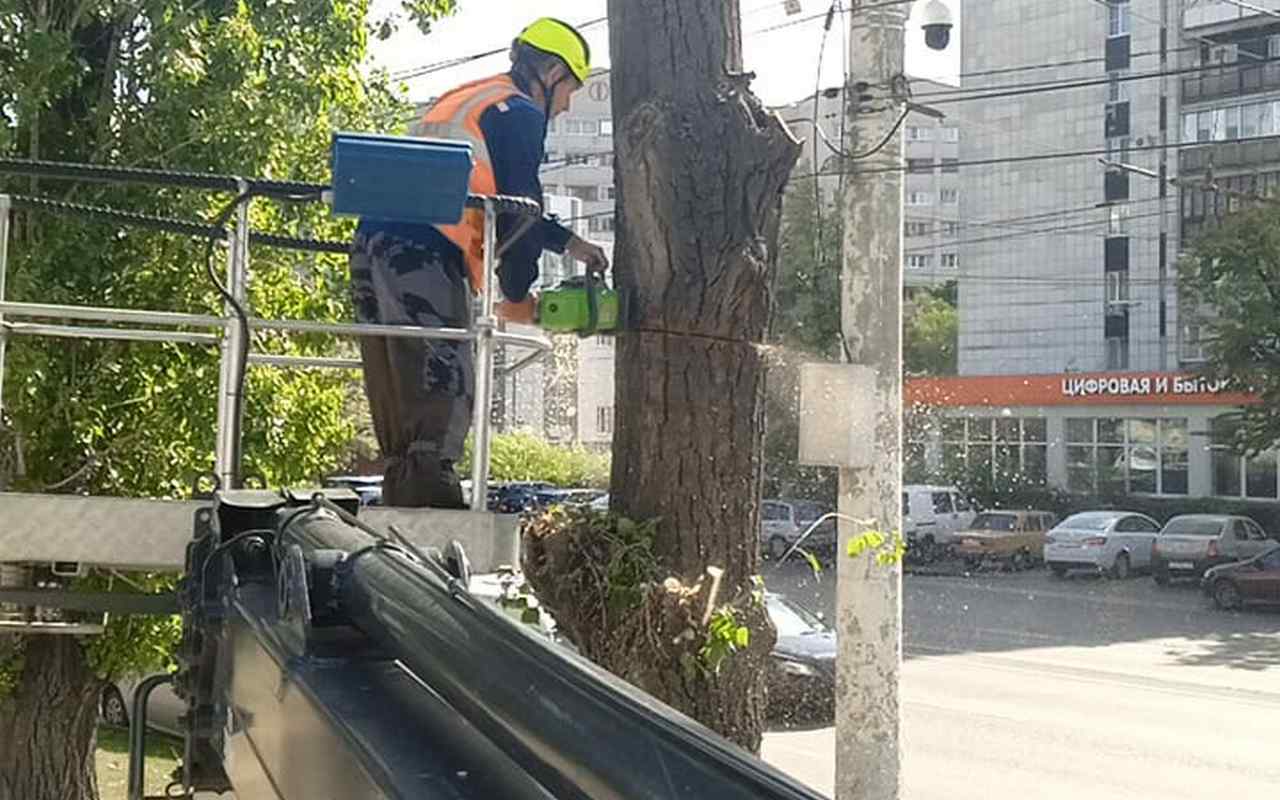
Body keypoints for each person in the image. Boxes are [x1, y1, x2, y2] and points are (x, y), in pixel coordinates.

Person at [349, 17, 609, 509]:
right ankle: (431, 507)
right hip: (422, 249)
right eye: (571, 88)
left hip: (377, 240)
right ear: (551, 73)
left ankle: (406, 494)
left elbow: (495, 198)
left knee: (398, 381)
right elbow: (519, 211)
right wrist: (516, 294)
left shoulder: (477, 98)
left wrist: (570, 243)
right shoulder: (520, 113)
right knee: (446, 378)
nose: (568, 104)